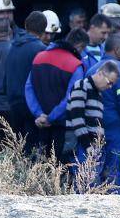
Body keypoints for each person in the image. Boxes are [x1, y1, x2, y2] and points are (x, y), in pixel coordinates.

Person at [26, 29, 84, 160]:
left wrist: (39, 114)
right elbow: (72, 97)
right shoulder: (76, 65)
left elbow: (28, 88)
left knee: (41, 166)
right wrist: (51, 117)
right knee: (61, 168)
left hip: (40, 124)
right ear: (80, 47)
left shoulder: (39, 57)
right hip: (63, 126)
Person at [65, 59, 120, 185]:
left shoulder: (98, 93)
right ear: (101, 73)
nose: (110, 87)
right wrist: (87, 146)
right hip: (82, 146)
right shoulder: (81, 86)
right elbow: (77, 119)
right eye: (109, 82)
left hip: (92, 146)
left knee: (91, 184)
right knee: (84, 184)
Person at [1, 11, 49, 141]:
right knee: (33, 149)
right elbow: (44, 82)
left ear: (26, 26)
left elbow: (5, 79)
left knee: (18, 147)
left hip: (13, 105)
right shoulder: (41, 50)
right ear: (44, 29)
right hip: (32, 108)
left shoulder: (13, 47)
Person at [97, 33, 120, 192]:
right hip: (118, 129)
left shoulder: (93, 68)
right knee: (118, 176)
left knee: (97, 172)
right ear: (117, 49)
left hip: (96, 129)